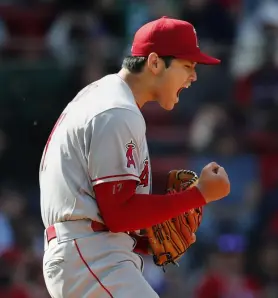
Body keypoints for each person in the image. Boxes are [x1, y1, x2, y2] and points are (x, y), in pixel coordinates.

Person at [40, 16, 230, 298]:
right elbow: (118, 214)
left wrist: (144, 241)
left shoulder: (104, 97)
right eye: (187, 66)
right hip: (92, 256)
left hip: (88, 252)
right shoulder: (117, 110)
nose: (193, 77)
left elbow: (110, 213)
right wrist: (199, 194)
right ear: (154, 63)